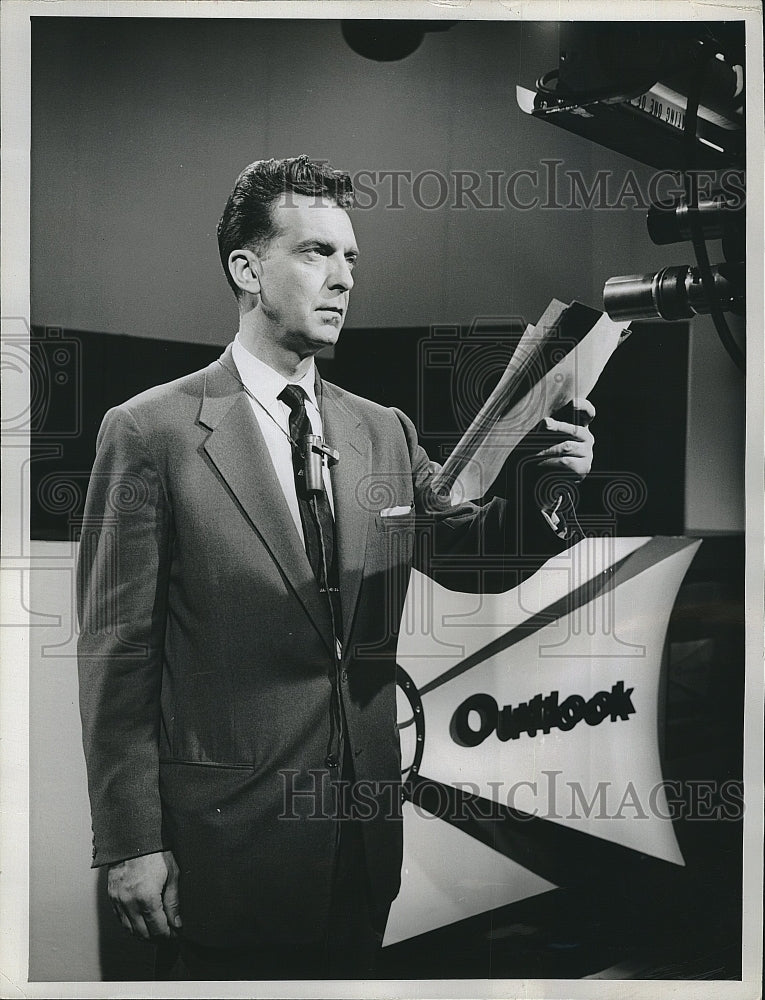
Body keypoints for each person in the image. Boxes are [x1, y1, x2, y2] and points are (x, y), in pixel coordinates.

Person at [77, 155, 596, 980]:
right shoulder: (150, 432)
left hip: (360, 837)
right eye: (317, 253)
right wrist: (133, 841)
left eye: (351, 258)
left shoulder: (379, 430)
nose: (344, 279)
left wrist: (548, 490)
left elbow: (467, 556)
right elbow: (118, 654)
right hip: (224, 843)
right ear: (246, 269)